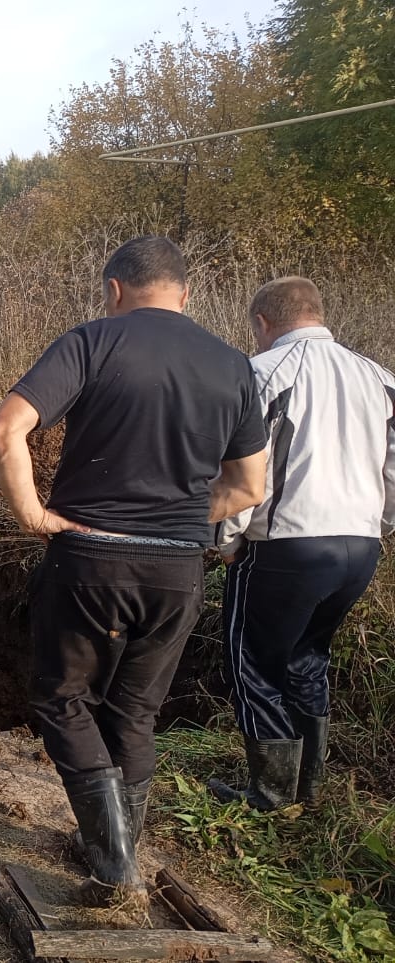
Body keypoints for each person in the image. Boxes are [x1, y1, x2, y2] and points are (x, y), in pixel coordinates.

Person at [0, 236, 267, 911]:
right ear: (185, 294)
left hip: (90, 558)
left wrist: (32, 512)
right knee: (134, 714)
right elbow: (251, 485)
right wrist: (182, 525)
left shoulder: (92, 341)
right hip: (177, 570)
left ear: (113, 289)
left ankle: (114, 866)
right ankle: (115, 850)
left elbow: (4, 429)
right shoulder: (232, 364)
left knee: (63, 701)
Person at [211, 277, 395, 812]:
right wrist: (376, 523)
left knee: (252, 663)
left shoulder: (260, 372)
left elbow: (245, 465)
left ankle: (270, 792)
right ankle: (307, 789)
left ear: (263, 323)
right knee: (307, 658)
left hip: (286, 543)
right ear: (317, 313)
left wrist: (226, 538)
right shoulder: (379, 377)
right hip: (360, 545)